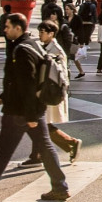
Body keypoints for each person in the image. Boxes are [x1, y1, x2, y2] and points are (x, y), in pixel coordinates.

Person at [0, 14, 71, 202]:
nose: (4, 30)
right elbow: (22, 80)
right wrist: (6, 96)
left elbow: (27, 83)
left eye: (8, 27)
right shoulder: (32, 44)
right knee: (43, 147)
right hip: (30, 108)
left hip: (20, 111)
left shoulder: (22, 50)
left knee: (4, 151)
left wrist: (30, 115)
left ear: (18, 28)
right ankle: (60, 187)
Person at [27, 21, 83, 164]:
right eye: (39, 31)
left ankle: (70, 143)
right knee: (39, 124)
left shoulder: (55, 50)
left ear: (51, 34)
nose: (40, 34)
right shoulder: (45, 46)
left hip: (49, 92)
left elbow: (58, 75)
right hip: (44, 92)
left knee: (40, 124)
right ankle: (37, 155)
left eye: (42, 32)